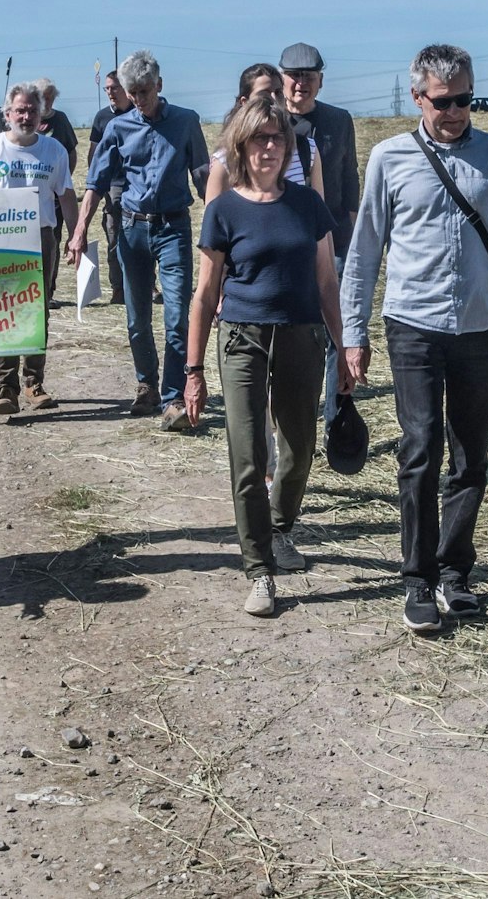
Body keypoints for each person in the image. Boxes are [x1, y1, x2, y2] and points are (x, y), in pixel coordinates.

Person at [341, 44, 488, 634]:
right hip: (413, 325)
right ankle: (417, 580)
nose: (455, 111)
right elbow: (364, 252)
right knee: (420, 448)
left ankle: (457, 574)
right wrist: (353, 335)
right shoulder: (389, 158)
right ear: (417, 97)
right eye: (443, 101)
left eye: (465, 100)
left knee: (470, 455)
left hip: (480, 326)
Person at [185, 95, 346, 617]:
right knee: (249, 457)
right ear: (242, 145)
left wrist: (344, 349)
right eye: (261, 138)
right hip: (242, 339)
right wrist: (192, 372)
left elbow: (327, 282)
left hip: (301, 336)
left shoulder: (307, 205)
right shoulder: (223, 210)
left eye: (279, 138)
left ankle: (279, 529)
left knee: (298, 453)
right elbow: (206, 294)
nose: (271, 147)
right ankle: (259, 570)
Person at [68, 50, 211, 429]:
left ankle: (173, 398)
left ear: (159, 86)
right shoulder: (118, 129)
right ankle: (146, 384)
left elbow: (203, 178)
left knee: (177, 314)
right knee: (136, 319)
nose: (139, 99)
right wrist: (80, 230)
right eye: (133, 93)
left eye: (145, 91)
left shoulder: (186, 122)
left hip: (173, 228)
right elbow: (96, 183)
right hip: (131, 230)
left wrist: (222, 228)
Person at [0, 83, 79, 415]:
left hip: (42, 237)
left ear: (41, 116)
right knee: (4, 309)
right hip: (0, 239)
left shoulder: (53, 150)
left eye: (32, 111)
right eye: (20, 110)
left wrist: (76, 235)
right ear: (8, 114)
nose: (26, 116)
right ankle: (6, 387)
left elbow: (66, 195)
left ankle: (34, 382)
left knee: (37, 309)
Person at [279, 43, 361, 442]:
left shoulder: (339, 121)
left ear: (321, 80)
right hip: (287, 246)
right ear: (282, 79)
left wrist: (357, 240)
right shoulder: (271, 124)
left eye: (309, 77)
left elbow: (349, 182)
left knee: (336, 332)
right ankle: (295, 425)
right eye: (294, 76)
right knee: (295, 336)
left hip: (335, 244)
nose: (301, 84)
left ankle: (332, 422)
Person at [203, 63, 324, 203]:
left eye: (278, 92)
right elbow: (213, 219)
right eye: (264, 94)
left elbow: (319, 214)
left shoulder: (307, 148)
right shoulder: (226, 159)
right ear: (245, 102)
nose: (273, 99)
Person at [88, 70, 133, 307]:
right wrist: (96, 184)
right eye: (107, 88)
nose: (110, 92)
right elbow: (94, 153)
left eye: (114, 87)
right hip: (113, 185)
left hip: (137, 185)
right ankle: (118, 287)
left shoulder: (139, 114)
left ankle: (146, 283)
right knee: (115, 235)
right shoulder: (102, 117)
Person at [34, 77, 81, 175]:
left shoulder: (60, 118)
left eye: (49, 99)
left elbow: (71, 151)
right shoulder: (26, 120)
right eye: (43, 98)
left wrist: (67, 177)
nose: (46, 103)